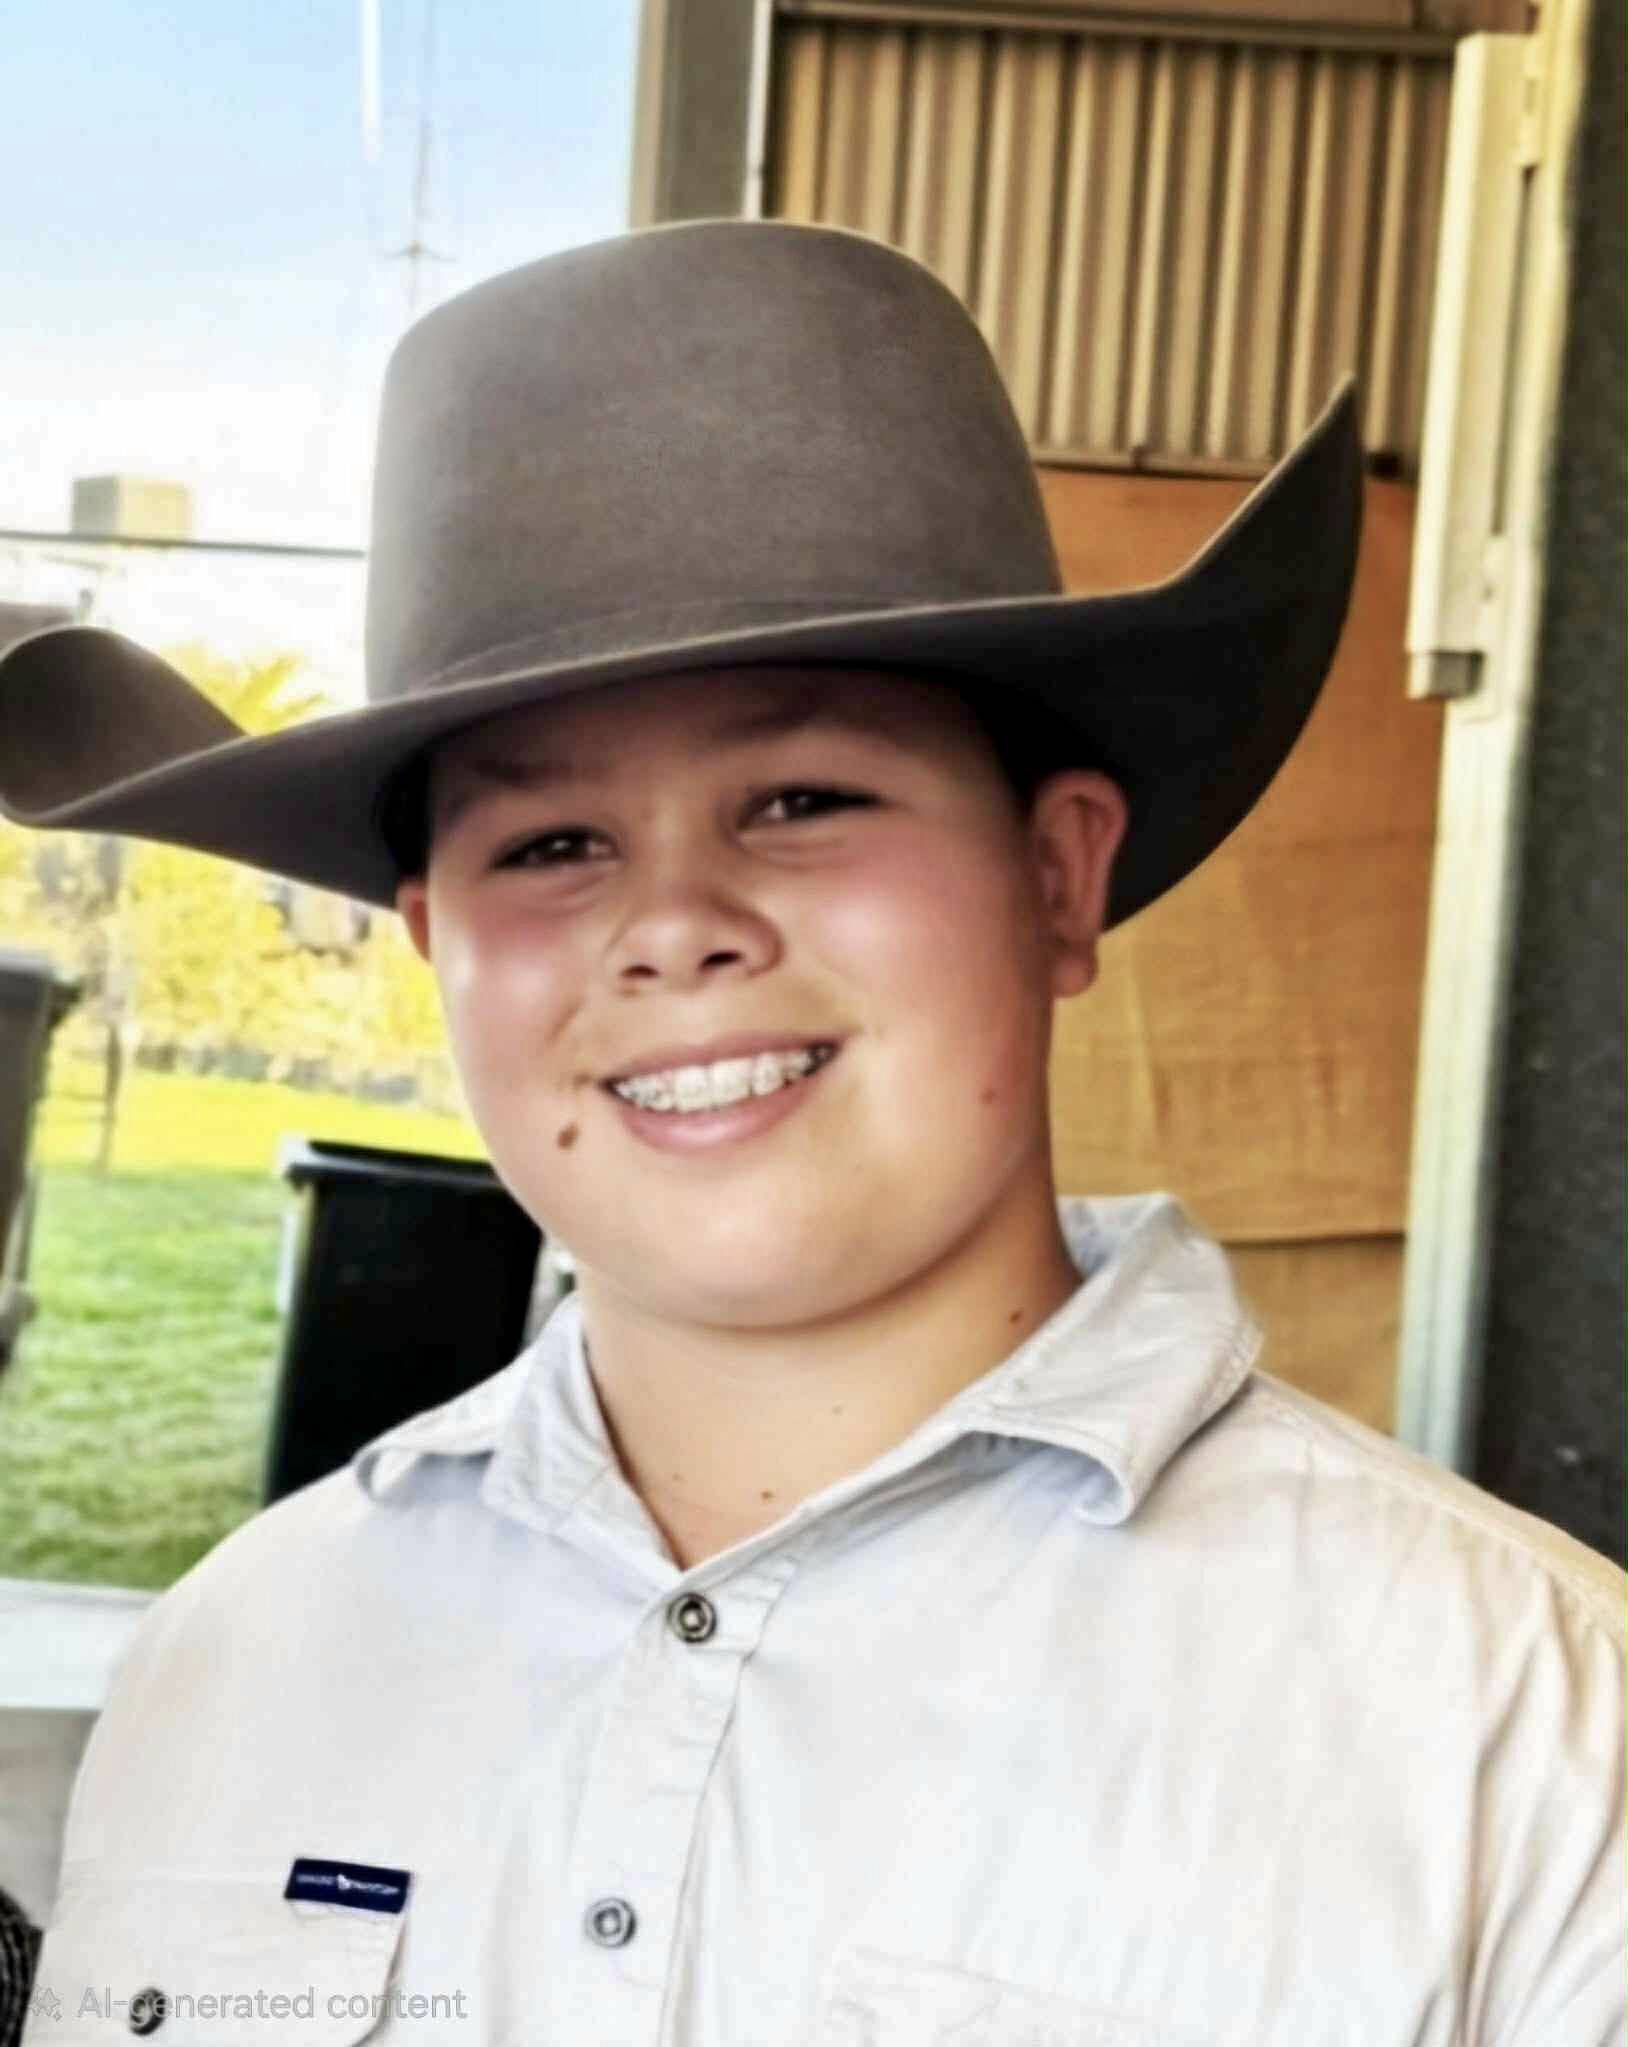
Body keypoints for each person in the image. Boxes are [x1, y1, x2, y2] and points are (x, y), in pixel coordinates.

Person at [1, 223, 1621, 2045]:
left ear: (1058, 874)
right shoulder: (236, 1660)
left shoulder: (1522, 1741)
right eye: (550, 845)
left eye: (801, 799)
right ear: (437, 945)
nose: (674, 925)